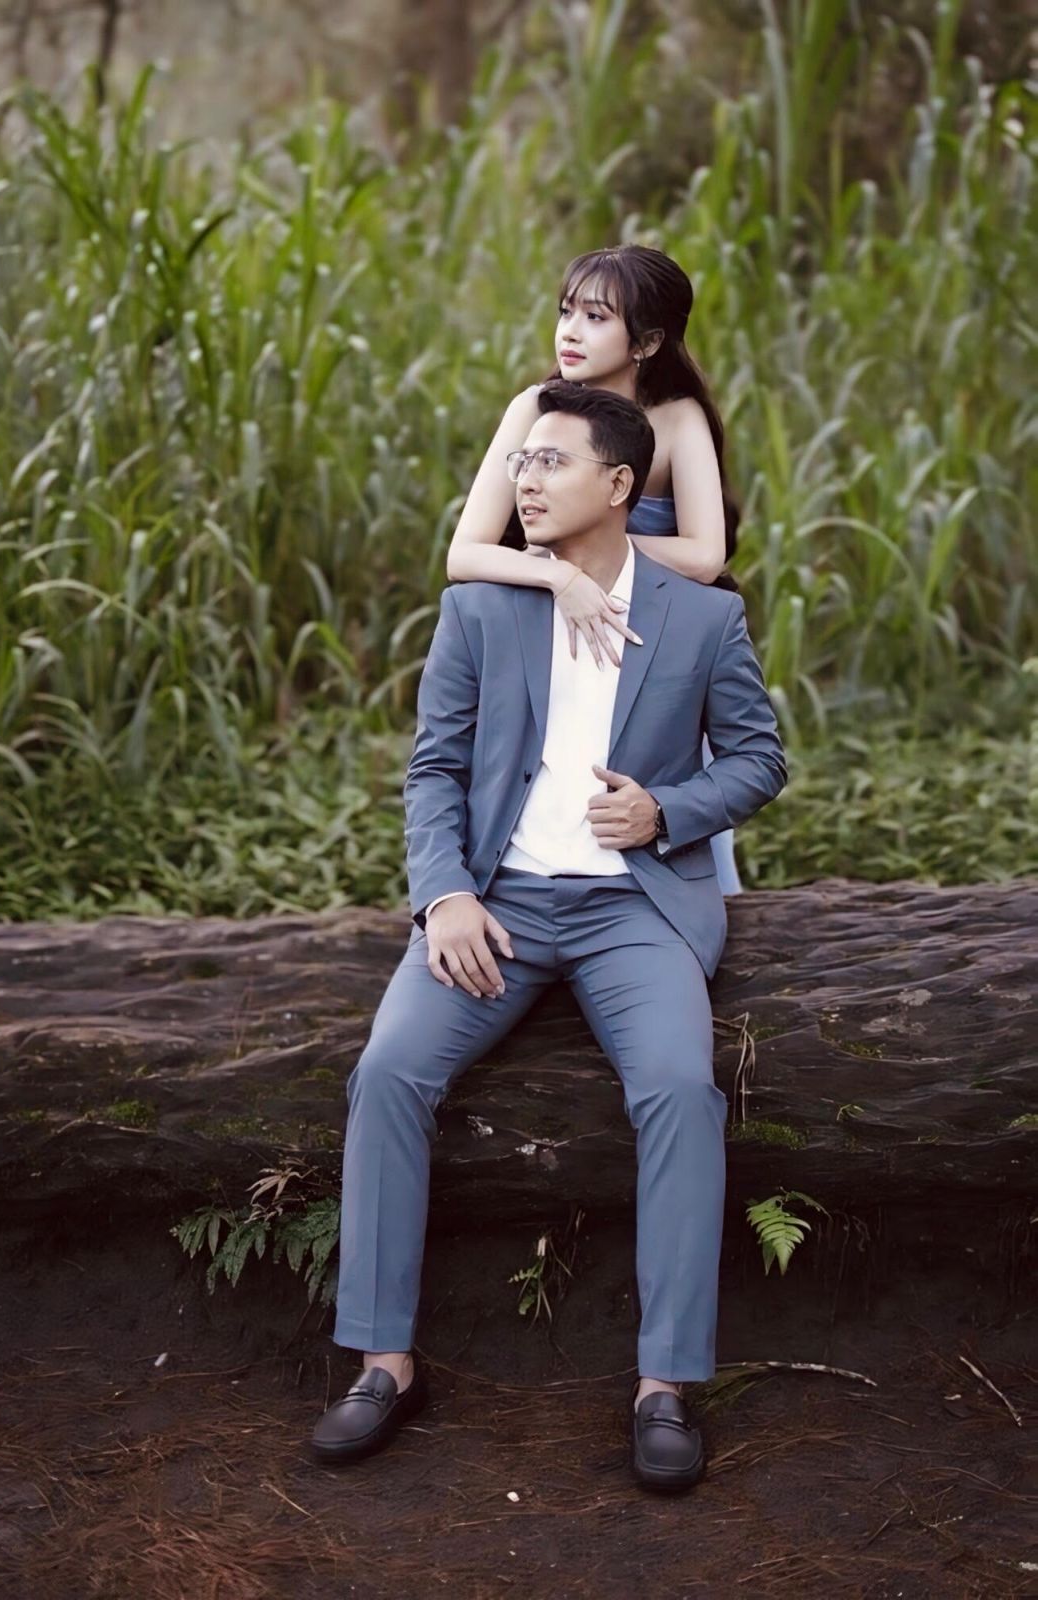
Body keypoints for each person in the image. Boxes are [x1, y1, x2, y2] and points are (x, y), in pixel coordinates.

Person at [311, 382, 787, 1493]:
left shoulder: (702, 617)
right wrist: (443, 897)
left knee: (680, 1089)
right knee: (387, 1072)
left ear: (618, 485)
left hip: (635, 910)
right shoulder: (482, 608)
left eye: (549, 462)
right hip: (500, 905)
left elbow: (758, 760)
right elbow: (434, 769)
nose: (522, 479)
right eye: (519, 460)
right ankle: (381, 1361)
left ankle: (664, 1384)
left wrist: (665, 810)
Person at [446, 242, 744, 896]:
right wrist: (562, 575)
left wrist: (594, 554)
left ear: (648, 342)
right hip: (544, 627)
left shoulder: (676, 419)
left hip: (645, 640)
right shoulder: (536, 410)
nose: (570, 332)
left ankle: (683, 916)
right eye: (565, 312)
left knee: (666, 796)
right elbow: (463, 555)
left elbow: (704, 554)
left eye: (596, 317)